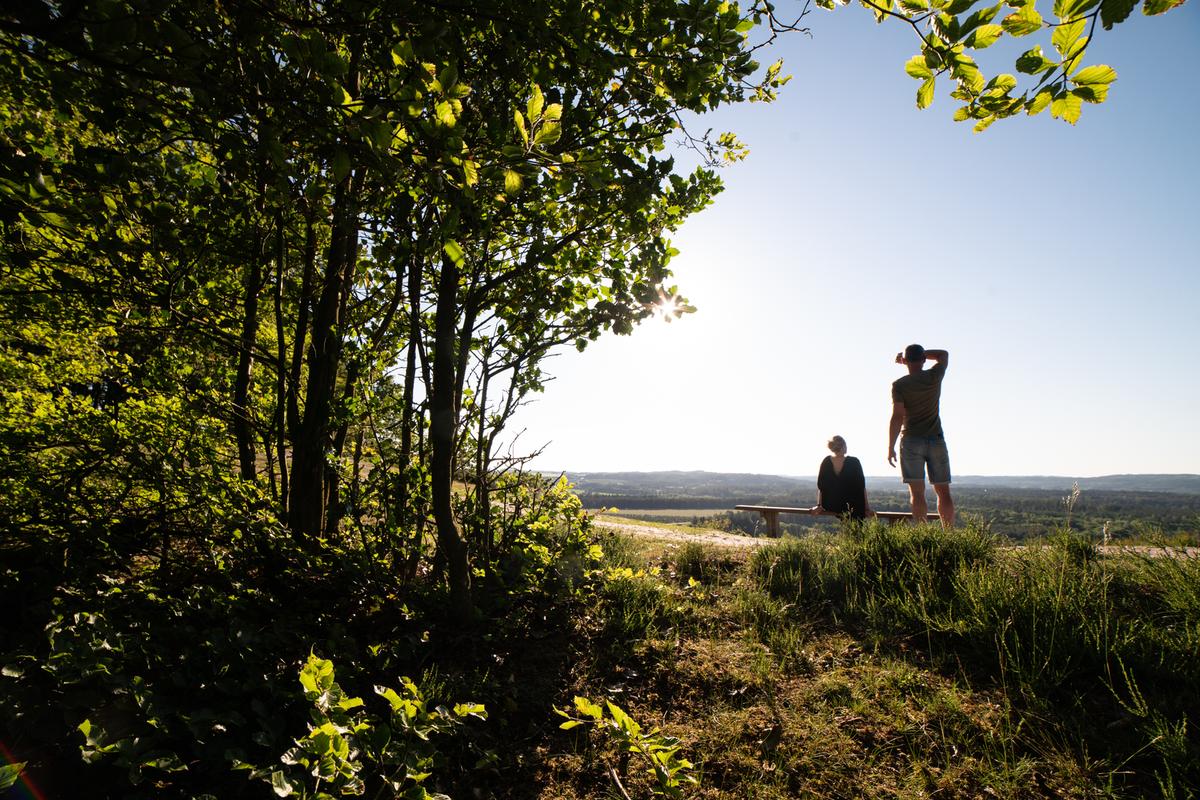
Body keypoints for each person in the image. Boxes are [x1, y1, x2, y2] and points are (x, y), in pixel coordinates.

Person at [888, 344, 955, 527]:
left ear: (906, 361)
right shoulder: (934, 376)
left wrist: (890, 446)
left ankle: (922, 534)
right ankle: (948, 535)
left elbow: (897, 416)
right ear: (924, 360)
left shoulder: (900, 385)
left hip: (911, 440)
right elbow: (943, 354)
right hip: (936, 439)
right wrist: (917, 356)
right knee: (943, 492)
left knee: (917, 493)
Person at [810, 435, 871, 520]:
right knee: (856, 529)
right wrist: (867, 508)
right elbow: (861, 487)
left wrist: (819, 505)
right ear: (843, 446)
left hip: (831, 505)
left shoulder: (826, 461)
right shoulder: (854, 462)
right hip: (852, 506)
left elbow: (821, 486)